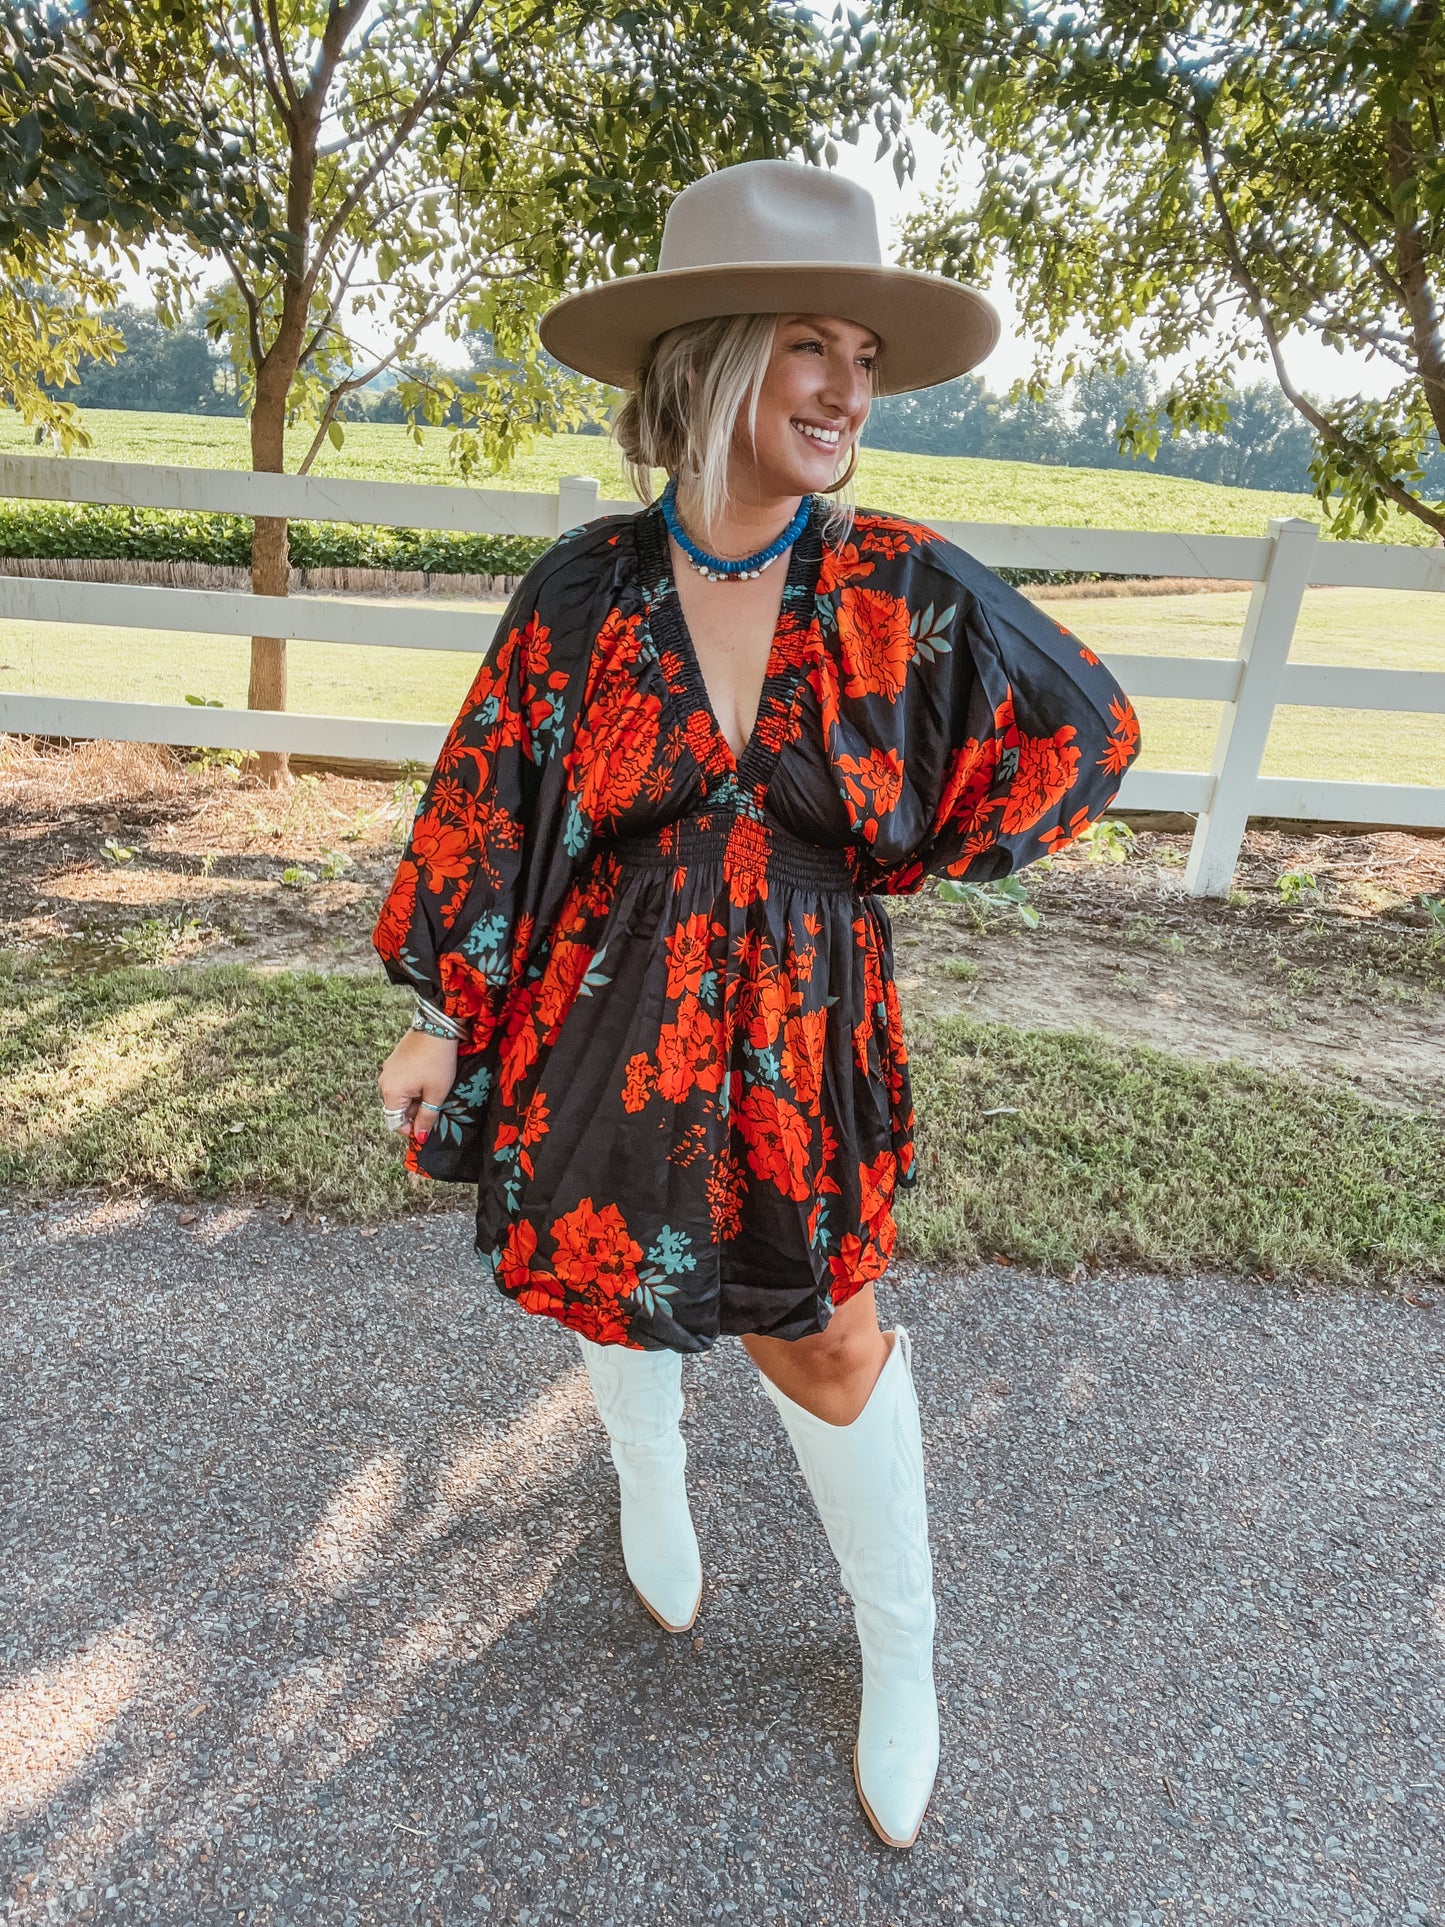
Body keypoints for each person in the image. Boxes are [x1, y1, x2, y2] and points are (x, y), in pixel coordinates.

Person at [374, 159, 1142, 1849]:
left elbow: (1084, 727)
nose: (850, 387)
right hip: (599, 1015)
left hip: (805, 1031)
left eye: (862, 354)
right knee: (607, 1279)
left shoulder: (897, 582)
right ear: (714, 359)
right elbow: (492, 812)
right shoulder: (582, 591)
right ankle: (649, 1479)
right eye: (813, 345)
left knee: (831, 1334)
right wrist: (444, 1009)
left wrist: (900, 861)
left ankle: (900, 1650)